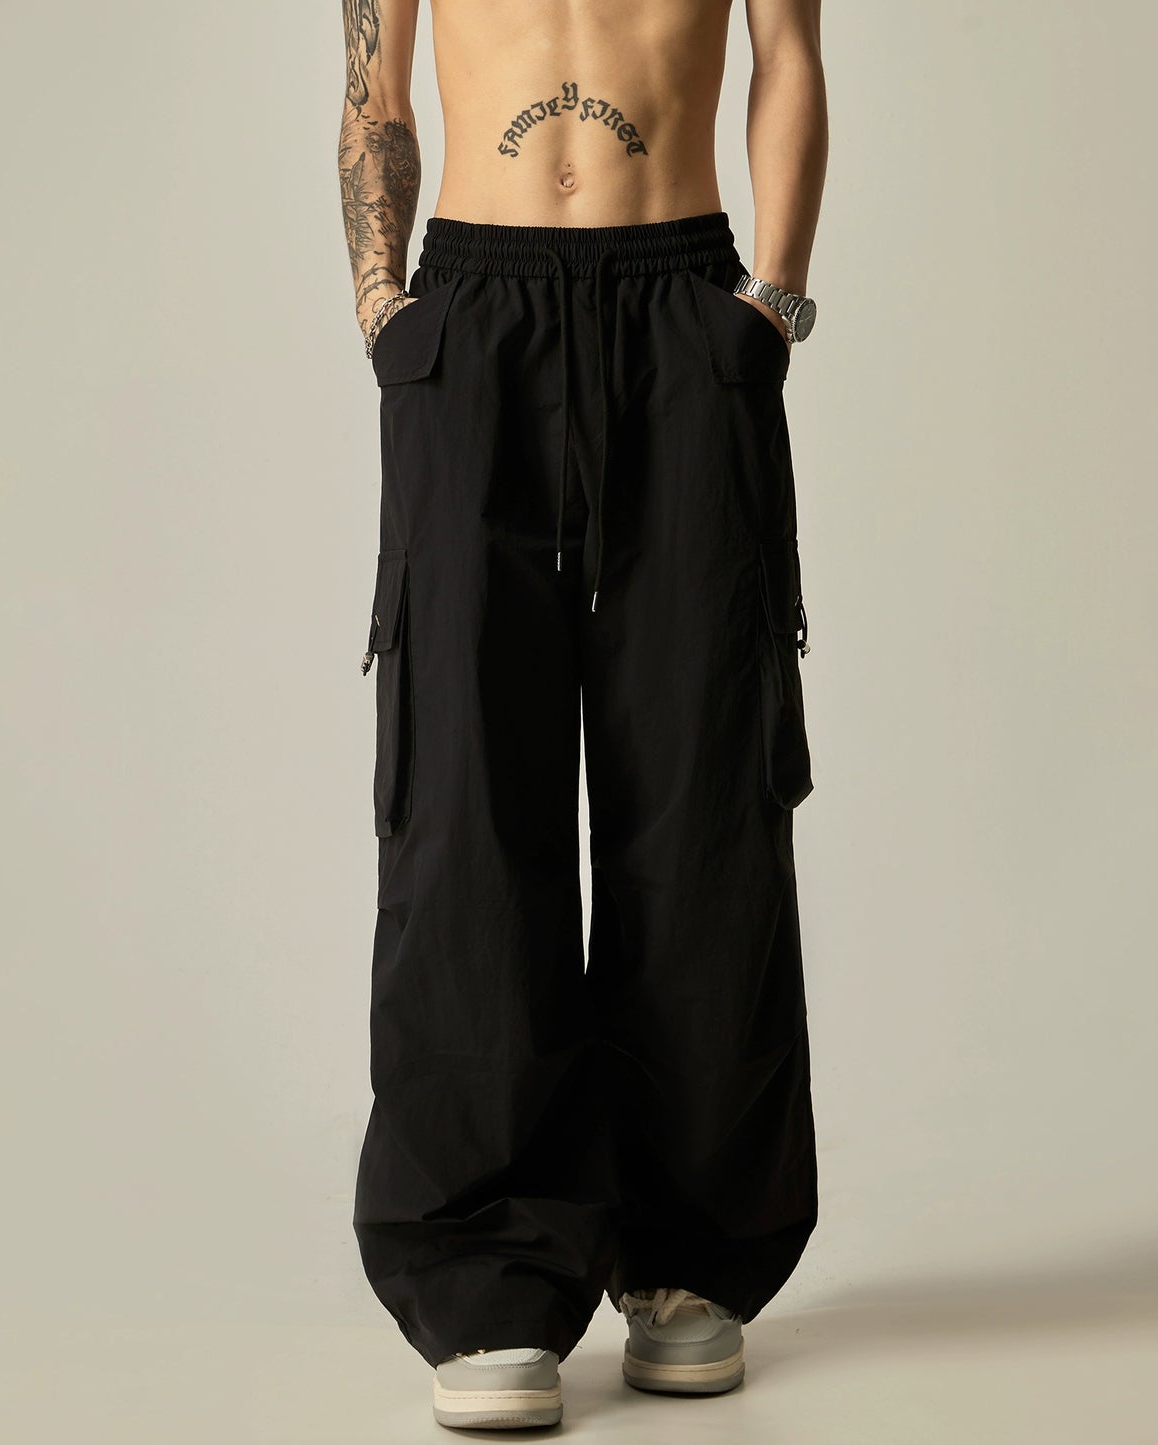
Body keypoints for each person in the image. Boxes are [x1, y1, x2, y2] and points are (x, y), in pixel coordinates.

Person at [338, 0, 827, 1428]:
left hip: (681, 298)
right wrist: (381, 302)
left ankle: (689, 1258)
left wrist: (773, 301)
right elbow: (374, 84)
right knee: (463, 794)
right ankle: (488, 1275)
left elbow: (789, 56)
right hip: (473, 308)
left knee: (702, 781)